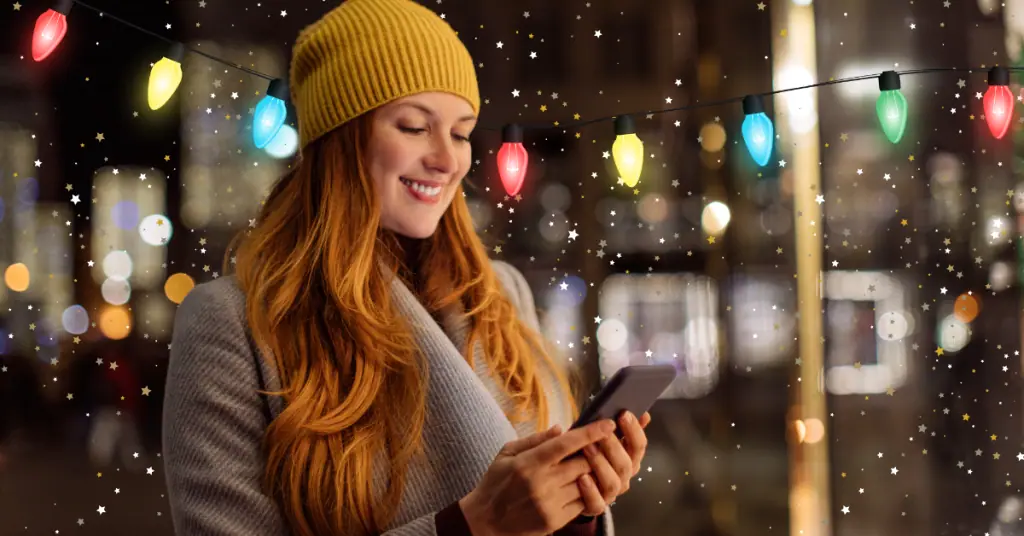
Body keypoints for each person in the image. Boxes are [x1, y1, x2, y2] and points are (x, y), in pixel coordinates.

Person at [161, 1, 652, 535]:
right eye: (415, 127)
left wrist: (578, 505)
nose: (447, 159)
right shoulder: (230, 323)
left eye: (462, 133)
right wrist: (473, 525)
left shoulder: (501, 293)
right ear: (343, 140)